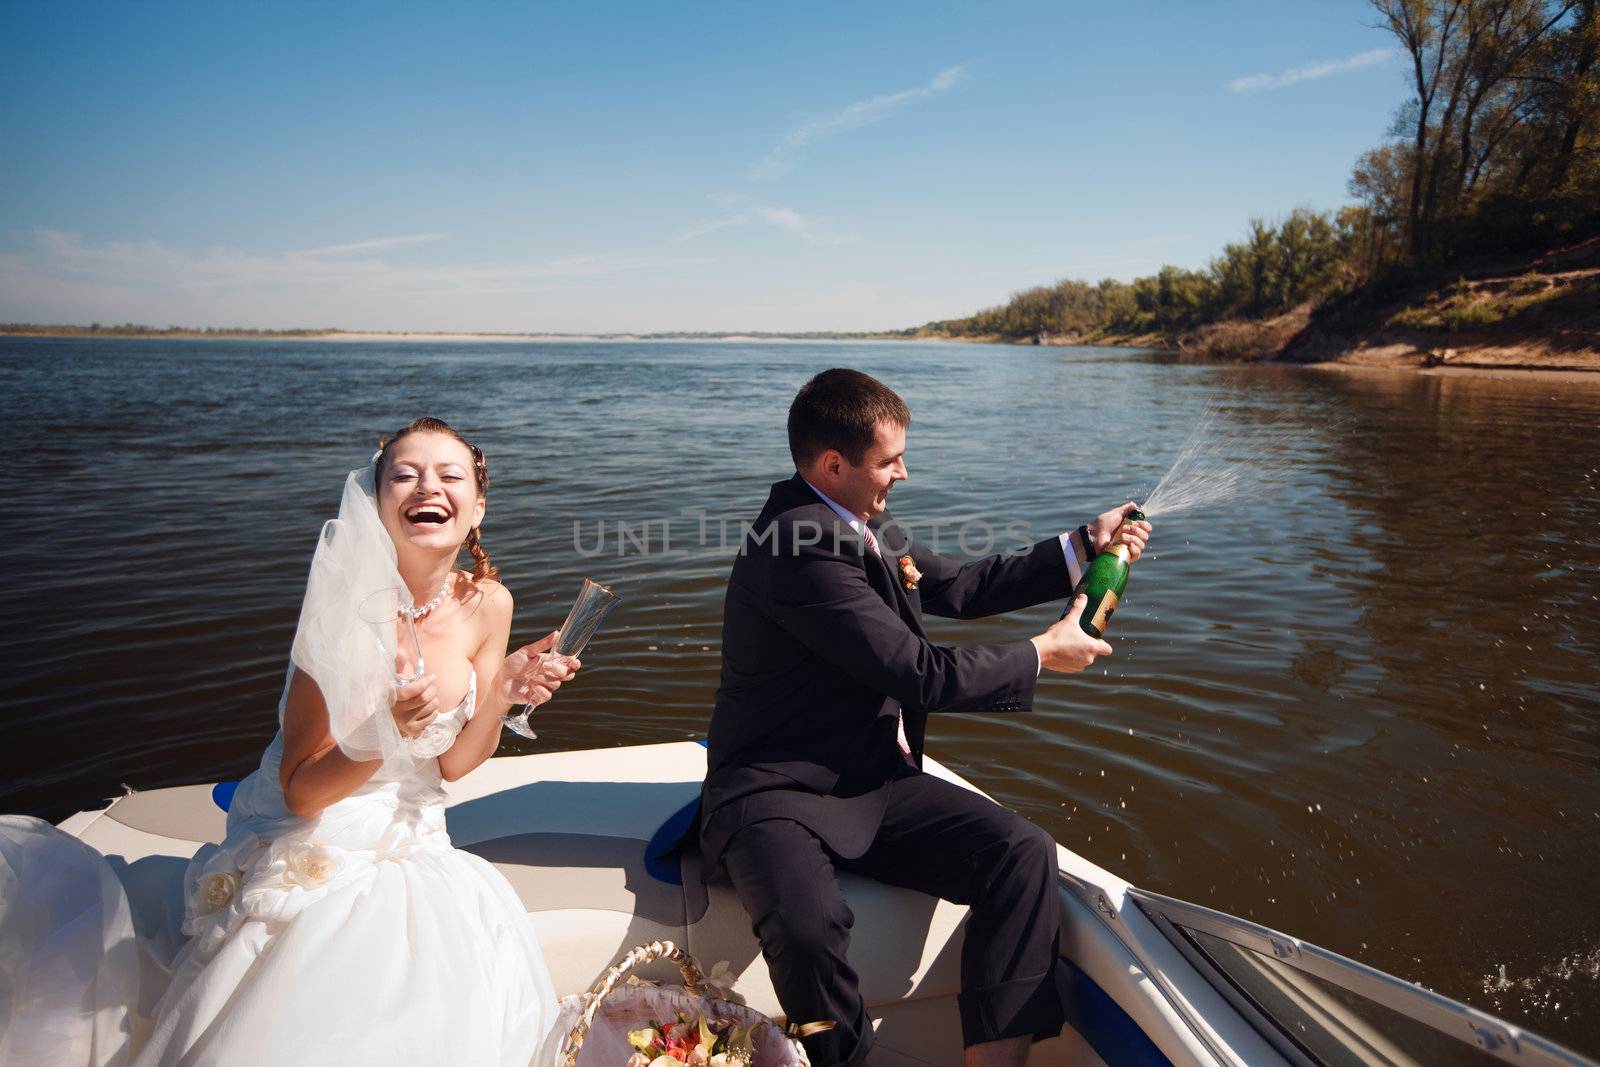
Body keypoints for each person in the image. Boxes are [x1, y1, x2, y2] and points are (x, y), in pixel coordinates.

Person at [698, 369, 1150, 1067]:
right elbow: (919, 672)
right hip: (774, 788)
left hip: (868, 774)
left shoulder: (863, 519)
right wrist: (1039, 652)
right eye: (890, 461)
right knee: (809, 926)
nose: (904, 473)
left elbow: (961, 586)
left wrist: (1083, 545)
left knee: (1022, 851)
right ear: (833, 464)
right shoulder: (797, 546)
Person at [134, 418, 575, 1065]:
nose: (430, 485)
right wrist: (384, 732)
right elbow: (303, 790)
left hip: (416, 827)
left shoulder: (489, 603)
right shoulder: (340, 613)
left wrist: (504, 692)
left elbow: (451, 762)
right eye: (405, 473)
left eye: (450, 475)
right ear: (375, 502)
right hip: (316, 828)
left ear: (477, 506)